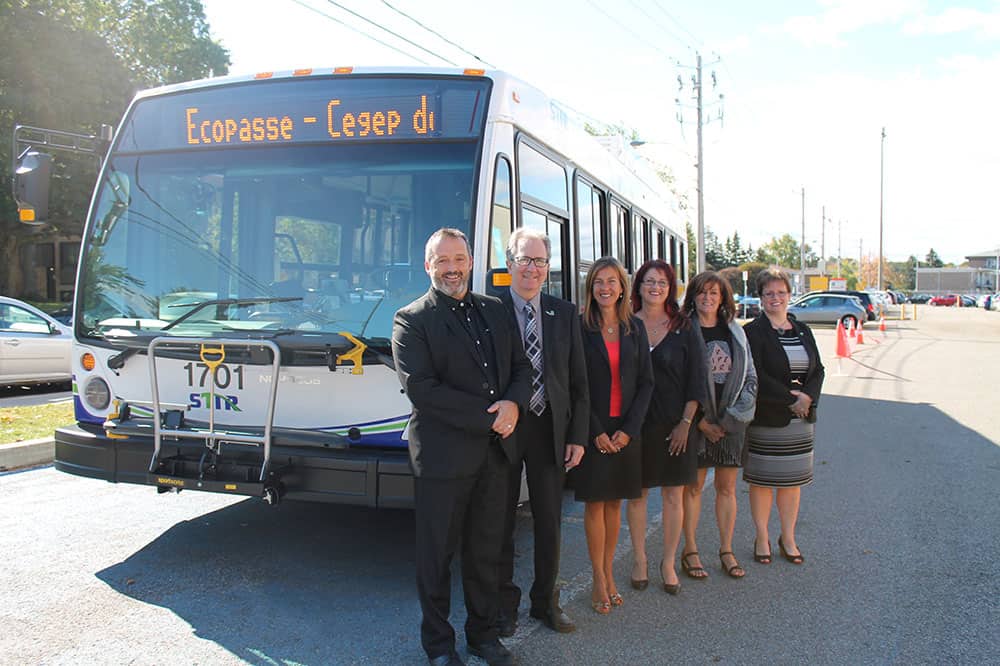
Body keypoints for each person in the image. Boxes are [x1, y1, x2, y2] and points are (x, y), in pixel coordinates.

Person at [392, 228, 532, 666]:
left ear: (471, 261)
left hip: (495, 457)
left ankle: (483, 636)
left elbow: (521, 367)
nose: (452, 268)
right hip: (442, 458)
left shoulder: (495, 309)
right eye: (442, 261)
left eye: (459, 258)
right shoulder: (411, 319)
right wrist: (495, 416)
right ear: (427, 266)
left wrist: (514, 403)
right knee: (436, 557)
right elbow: (423, 390)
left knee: (486, 551)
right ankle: (438, 646)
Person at [496, 228, 589, 636]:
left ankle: (545, 602)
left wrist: (578, 436)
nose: (531, 269)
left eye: (539, 261)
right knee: (498, 522)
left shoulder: (564, 313)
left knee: (549, 521)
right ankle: (504, 605)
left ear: (548, 267)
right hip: (505, 431)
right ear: (509, 262)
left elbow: (580, 383)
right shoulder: (489, 308)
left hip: (551, 428)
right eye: (524, 260)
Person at [571, 257, 654, 614]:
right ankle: (599, 579)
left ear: (623, 287)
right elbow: (576, 385)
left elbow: (647, 384)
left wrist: (628, 432)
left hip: (626, 431)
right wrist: (595, 432)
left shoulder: (635, 328)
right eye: (598, 282)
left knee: (615, 505)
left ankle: (608, 574)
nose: (605, 288)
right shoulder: (578, 328)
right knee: (595, 505)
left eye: (612, 281)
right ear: (590, 289)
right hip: (593, 429)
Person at [625, 260, 707, 595]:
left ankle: (669, 562)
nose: (655, 287)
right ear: (639, 286)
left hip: (677, 426)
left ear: (670, 287)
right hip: (636, 425)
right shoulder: (626, 324)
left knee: (674, 495)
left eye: (662, 282)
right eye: (649, 281)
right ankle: (640, 560)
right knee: (638, 494)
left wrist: (686, 423)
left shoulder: (684, 327)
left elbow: (697, 381)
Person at [743, 268, 825, 565]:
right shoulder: (752, 332)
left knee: (792, 483)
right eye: (769, 293)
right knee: (762, 482)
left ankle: (787, 536)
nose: (775, 298)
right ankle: (762, 536)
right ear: (761, 297)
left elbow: (818, 370)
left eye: (781, 292)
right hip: (768, 416)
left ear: (790, 295)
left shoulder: (803, 330)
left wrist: (808, 397)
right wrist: (793, 399)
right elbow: (756, 375)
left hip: (800, 420)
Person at [681, 271, 758, 581]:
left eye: (714, 293)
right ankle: (690, 550)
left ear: (724, 298)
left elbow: (751, 378)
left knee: (727, 489)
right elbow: (676, 381)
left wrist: (729, 421)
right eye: (701, 293)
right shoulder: (685, 330)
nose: (707, 298)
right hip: (697, 422)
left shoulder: (736, 333)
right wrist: (700, 423)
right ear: (693, 297)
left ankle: (726, 550)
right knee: (693, 488)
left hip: (730, 424)